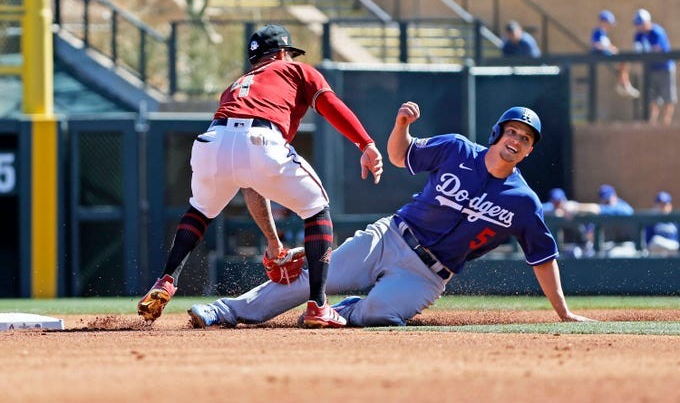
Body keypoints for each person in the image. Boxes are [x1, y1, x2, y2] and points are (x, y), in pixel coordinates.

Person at [187, 102, 594, 328]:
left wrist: (562, 311)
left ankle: (347, 309)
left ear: (528, 151)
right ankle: (224, 311)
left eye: (524, 139)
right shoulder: (456, 150)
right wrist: (400, 123)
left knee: (379, 314)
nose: (516, 141)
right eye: (512, 132)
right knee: (310, 279)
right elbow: (400, 155)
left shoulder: (522, 201)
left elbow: (542, 256)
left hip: (428, 274)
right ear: (498, 134)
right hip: (389, 237)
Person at [137, 24, 384, 328]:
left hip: (211, 142)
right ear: (282, 53)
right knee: (317, 208)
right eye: (289, 54)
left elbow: (250, 182)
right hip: (260, 138)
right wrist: (366, 143)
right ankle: (318, 305)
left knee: (199, 212)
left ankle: (166, 279)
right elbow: (329, 104)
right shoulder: (295, 70)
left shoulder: (236, 86)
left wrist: (273, 242)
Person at [631, 8, 676, 125]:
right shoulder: (638, 35)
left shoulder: (657, 32)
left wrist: (645, 50)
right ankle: (652, 123)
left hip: (665, 68)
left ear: (647, 21)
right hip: (650, 70)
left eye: (640, 23)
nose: (639, 27)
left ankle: (666, 122)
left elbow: (658, 49)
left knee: (668, 96)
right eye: (637, 24)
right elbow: (637, 49)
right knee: (651, 97)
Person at [590, 9, 640, 99]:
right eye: (608, 23)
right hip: (600, 56)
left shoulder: (603, 33)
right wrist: (610, 49)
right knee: (623, 62)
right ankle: (624, 85)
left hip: (607, 55)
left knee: (624, 63)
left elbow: (607, 45)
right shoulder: (598, 31)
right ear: (603, 22)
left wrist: (612, 49)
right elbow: (596, 44)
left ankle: (623, 84)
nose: (610, 25)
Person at [644, 191, 679, 255]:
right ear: (656, 205)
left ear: (670, 206)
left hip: (673, 253)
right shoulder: (651, 220)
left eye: (665, 204)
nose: (662, 207)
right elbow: (649, 243)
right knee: (656, 240)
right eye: (660, 204)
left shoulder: (675, 220)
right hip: (657, 253)